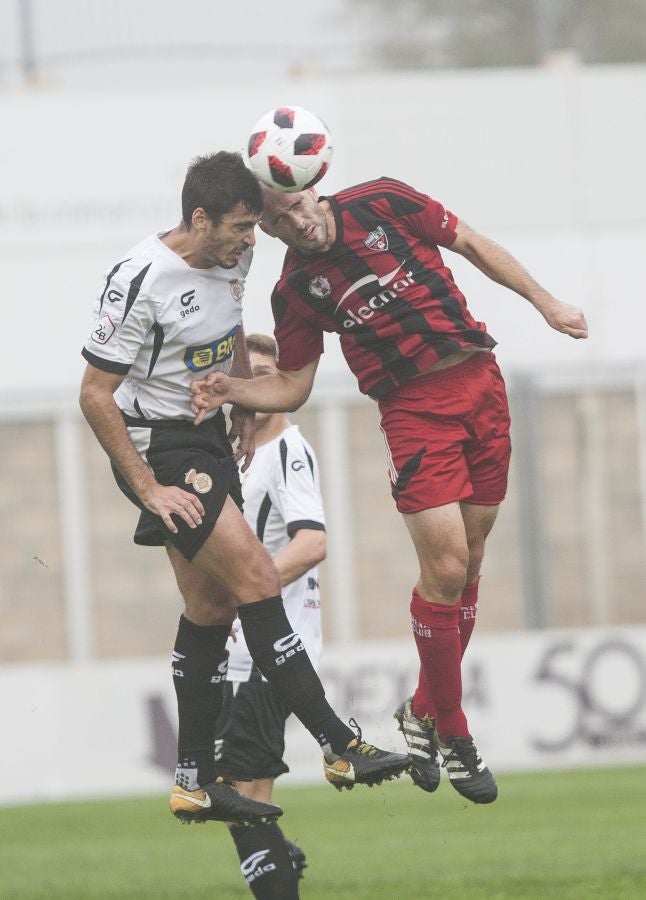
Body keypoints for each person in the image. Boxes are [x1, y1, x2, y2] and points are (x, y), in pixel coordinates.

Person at [190, 175, 589, 806]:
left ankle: (421, 711)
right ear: (265, 230)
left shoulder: (383, 201)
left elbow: (473, 245)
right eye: (278, 222)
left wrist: (547, 303)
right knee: (448, 564)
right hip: (411, 410)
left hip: (481, 383)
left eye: (297, 207)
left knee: (472, 561)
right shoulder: (295, 290)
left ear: (313, 190)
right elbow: (292, 386)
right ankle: (455, 732)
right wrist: (231, 390)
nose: (297, 224)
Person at [78, 153, 410, 829]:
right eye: (237, 229)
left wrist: (234, 401)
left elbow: (226, 333)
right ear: (198, 220)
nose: (248, 244)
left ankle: (193, 781)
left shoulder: (234, 256)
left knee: (212, 605)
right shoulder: (139, 279)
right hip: (157, 447)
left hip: (203, 437)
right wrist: (147, 488)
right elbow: (94, 395)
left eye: (253, 230)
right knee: (259, 577)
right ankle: (338, 743)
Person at [215, 333, 324, 899]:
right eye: (244, 376)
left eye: (262, 376)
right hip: (235, 651)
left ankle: (278, 879)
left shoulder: (288, 450)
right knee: (227, 791)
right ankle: (280, 857)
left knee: (244, 793)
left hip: (275, 647)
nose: (250, 388)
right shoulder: (238, 451)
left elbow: (310, 543)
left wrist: (245, 592)